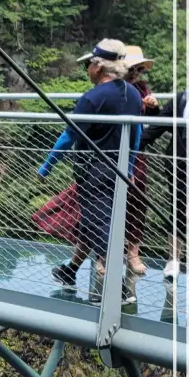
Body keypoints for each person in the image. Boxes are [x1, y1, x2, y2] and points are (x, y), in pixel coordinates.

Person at [44, 39, 142, 293]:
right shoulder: (132, 93)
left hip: (94, 171)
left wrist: (47, 166)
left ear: (99, 66)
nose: (87, 68)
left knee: (98, 223)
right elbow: (136, 133)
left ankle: (117, 289)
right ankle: (70, 270)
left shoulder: (92, 98)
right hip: (118, 169)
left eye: (89, 63)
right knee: (96, 220)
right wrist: (129, 167)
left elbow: (69, 136)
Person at [146, 49, 189, 297]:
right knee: (177, 211)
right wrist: (129, 144)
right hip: (179, 163)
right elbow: (160, 125)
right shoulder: (181, 98)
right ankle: (173, 262)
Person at [121, 46, 160, 275]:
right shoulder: (112, 87)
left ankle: (133, 253)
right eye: (131, 67)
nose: (136, 72)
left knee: (137, 200)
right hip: (114, 150)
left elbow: (155, 120)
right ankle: (103, 255)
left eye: (139, 68)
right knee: (109, 201)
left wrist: (154, 107)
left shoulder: (142, 88)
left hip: (137, 152)